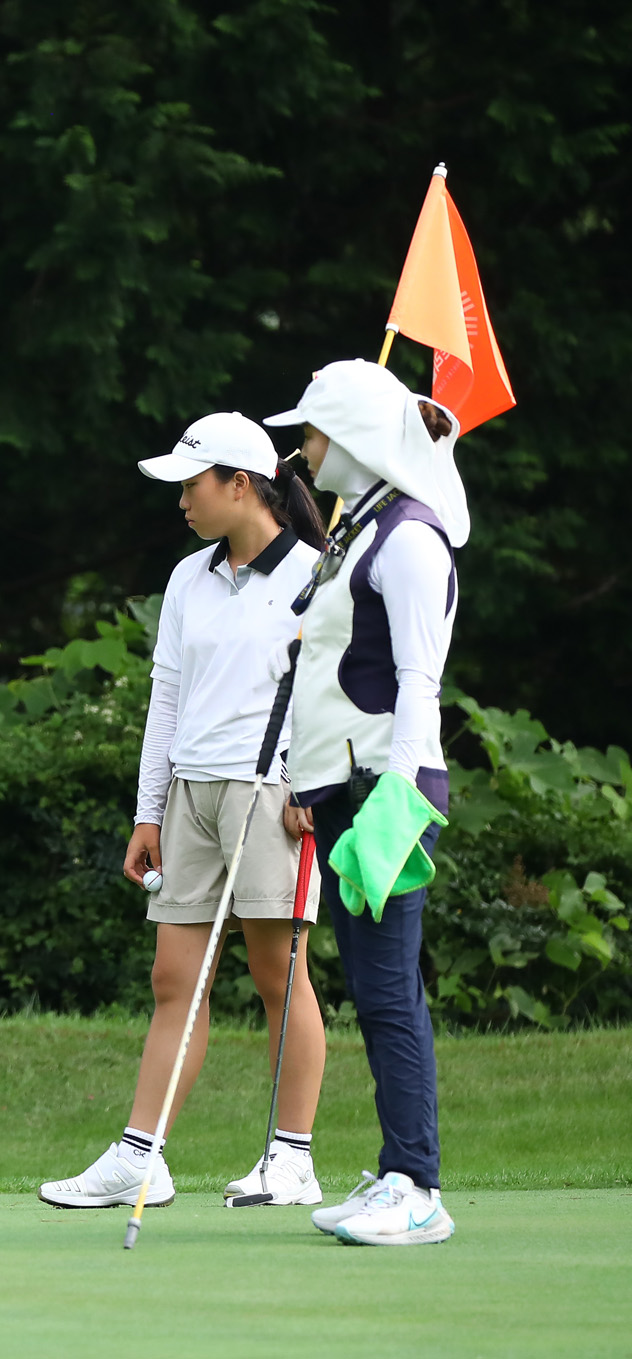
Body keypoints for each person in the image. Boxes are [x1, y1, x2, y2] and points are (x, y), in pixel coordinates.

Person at [39, 412, 328, 1211]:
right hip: (193, 791)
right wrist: (149, 809)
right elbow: (167, 699)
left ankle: (291, 1157)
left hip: (273, 796)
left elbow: (332, 695)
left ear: (241, 484)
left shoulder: (315, 573)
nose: (181, 500)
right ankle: (141, 1155)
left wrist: (312, 783)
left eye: (191, 484)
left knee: (279, 972)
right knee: (175, 977)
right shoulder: (187, 578)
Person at [263, 359, 464, 1246]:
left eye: (311, 431)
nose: (302, 448)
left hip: (386, 791)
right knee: (377, 989)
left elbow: (420, 679)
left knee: (387, 992)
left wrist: (398, 795)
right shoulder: (365, 526)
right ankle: (396, 1170)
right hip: (347, 791)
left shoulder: (411, 538)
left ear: (349, 435)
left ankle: (415, 1184)